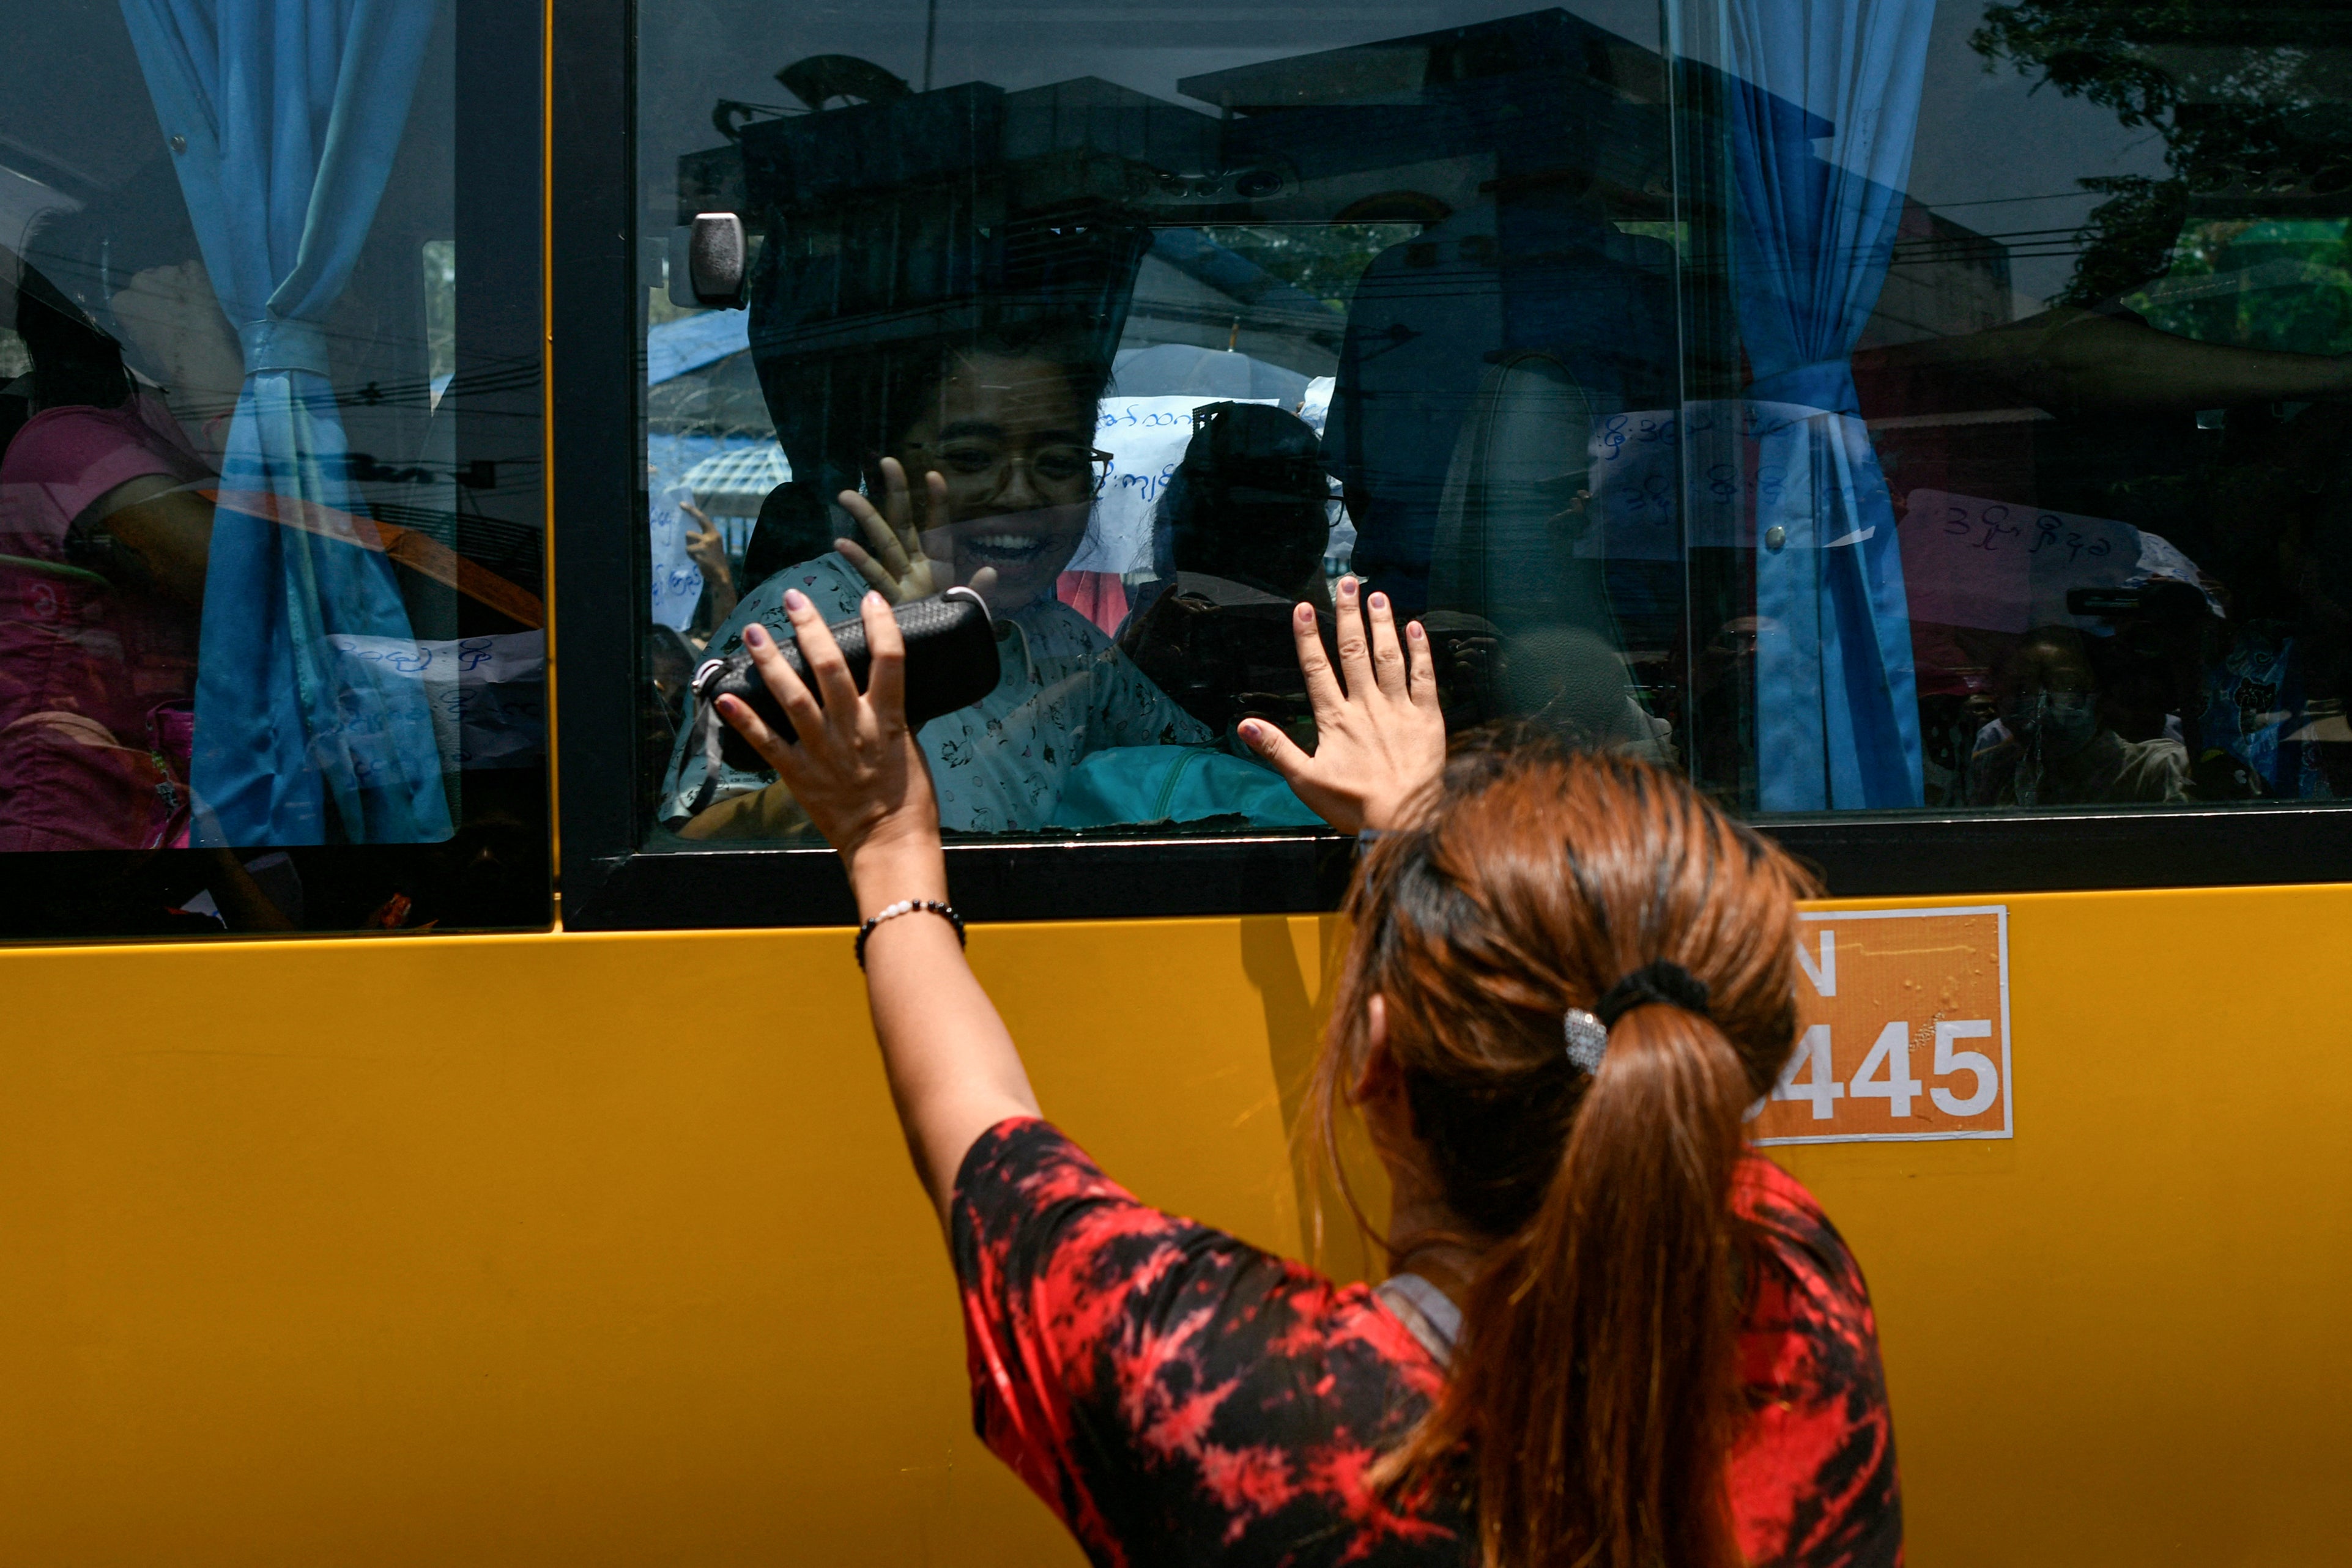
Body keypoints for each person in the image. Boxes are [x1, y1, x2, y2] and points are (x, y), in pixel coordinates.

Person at [710, 576, 1901, 1566]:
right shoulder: (1798, 1301)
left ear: (1375, 1065)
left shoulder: (1245, 1410)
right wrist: (1416, 840)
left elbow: (978, 1132)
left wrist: (886, 839)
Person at [659, 324, 1211, 838]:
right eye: (971, 458)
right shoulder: (803, 618)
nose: (1019, 494)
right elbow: (692, 842)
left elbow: (1205, 769)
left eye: (1058, 462)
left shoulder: (1067, 646)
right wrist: (887, 721)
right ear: (882, 473)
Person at [0, 261, 215, 850]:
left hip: (185, 805)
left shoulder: (171, 432)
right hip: (86, 825)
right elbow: (253, 580)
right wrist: (219, 372)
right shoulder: (72, 445)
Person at [1965, 626, 2190, 808]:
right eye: (2021, 689)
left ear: (2101, 697)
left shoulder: (2159, 768)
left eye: (2065, 687)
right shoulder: (1996, 768)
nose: (2041, 702)